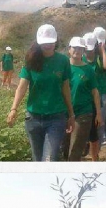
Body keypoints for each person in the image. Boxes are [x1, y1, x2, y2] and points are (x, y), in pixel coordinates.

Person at [7, 24, 75, 162]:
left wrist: (71, 114)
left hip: (56, 117)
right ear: (39, 42)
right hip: (34, 118)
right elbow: (22, 86)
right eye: (45, 43)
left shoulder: (63, 61)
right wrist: (14, 108)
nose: (48, 45)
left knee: (49, 158)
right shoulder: (31, 60)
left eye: (50, 42)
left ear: (55, 41)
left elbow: (65, 88)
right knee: (37, 159)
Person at [66, 36, 101, 161]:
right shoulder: (64, 67)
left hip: (83, 114)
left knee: (75, 149)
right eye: (75, 47)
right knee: (63, 149)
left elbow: (95, 92)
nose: (77, 50)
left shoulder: (88, 70)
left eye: (81, 48)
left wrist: (99, 114)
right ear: (69, 49)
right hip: (64, 113)